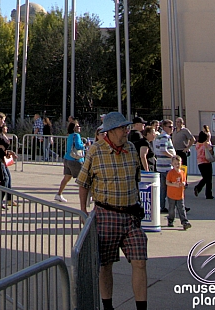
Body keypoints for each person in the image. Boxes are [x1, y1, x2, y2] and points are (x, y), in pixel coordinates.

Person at [77, 111, 147, 310]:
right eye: (123, 128)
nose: (126, 131)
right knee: (105, 264)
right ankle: (108, 306)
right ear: (110, 131)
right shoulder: (96, 151)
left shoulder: (131, 148)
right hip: (106, 214)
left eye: (126, 127)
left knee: (140, 261)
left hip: (131, 215)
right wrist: (83, 211)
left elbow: (136, 178)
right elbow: (83, 182)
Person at [55, 121, 85, 202]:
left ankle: (59, 194)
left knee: (67, 177)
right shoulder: (77, 135)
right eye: (78, 126)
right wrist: (86, 145)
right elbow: (79, 146)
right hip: (75, 160)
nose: (79, 127)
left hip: (67, 158)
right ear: (74, 128)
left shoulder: (70, 136)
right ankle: (87, 197)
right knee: (84, 179)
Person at [153, 120, 177, 213]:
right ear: (164, 127)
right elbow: (163, 150)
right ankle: (170, 206)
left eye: (172, 127)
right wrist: (174, 157)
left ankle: (163, 206)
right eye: (170, 127)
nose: (172, 129)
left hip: (162, 166)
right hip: (166, 166)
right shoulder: (164, 137)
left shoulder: (161, 136)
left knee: (164, 188)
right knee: (169, 188)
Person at [166, 154, 191, 229]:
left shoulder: (182, 172)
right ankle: (170, 220)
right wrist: (173, 185)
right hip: (171, 194)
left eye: (178, 164)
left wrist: (183, 184)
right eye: (175, 164)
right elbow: (167, 182)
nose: (177, 165)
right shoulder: (170, 173)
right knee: (171, 209)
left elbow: (184, 181)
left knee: (181, 209)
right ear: (172, 164)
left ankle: (185, 222)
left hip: (180, 195)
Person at [194, 128, 215, 199]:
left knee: (205, 177)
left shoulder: (197, 144)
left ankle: (198, 188)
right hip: (206, 162)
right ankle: (208, 194)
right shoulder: (206, 144)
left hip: (200, 162)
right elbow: (211, 152)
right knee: (208, 179)